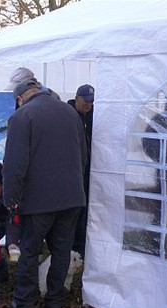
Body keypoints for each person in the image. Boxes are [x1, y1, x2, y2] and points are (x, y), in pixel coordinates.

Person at [2, 78, 87, 308]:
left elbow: (14, 164)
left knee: (29, 251)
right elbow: (83, 155)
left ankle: (25, 303)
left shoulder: (22, 116)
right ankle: (54, 303)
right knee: (61, 252)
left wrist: (10, 198)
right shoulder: (70, 113)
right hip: (71, 198)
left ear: (20, 98)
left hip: (38, 201)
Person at [67, 84, 95, 258]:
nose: (88, 105)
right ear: (76, 98)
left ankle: (81, 249)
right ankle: (68, 248)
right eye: (85, 101)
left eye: (91, 102)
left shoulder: (94, 116)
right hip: (71, 173)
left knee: (85, 211)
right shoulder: (67, 114)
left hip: (89, 172)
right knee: (72, 212)